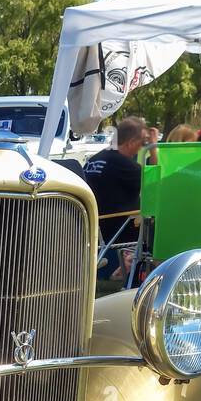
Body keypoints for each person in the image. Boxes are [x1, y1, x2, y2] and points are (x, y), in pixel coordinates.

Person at [83, 115, 145, 278]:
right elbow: (156, 187)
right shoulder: (126, 166)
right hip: (121, 236)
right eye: (141, 144)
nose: (141, 149)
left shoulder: (93, 160)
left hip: (94, 232)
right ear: (131, 142)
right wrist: (154, 152)